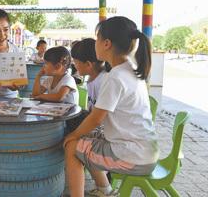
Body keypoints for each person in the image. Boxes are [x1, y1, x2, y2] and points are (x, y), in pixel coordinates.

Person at [64, 16, 159, 197]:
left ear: (106, 43)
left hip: (133, 157)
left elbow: (96, 118)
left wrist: (73, 135)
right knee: (89, 139)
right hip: (144, 150)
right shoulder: (130, 67)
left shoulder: (115, 77)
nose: (95, 44)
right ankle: (105, 190)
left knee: (72, 147)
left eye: (97, 39)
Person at [71, 38, 110, 111]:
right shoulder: (93, 78)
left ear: (88, 64)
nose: (74, 65)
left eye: (76, 62)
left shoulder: (103, 81)